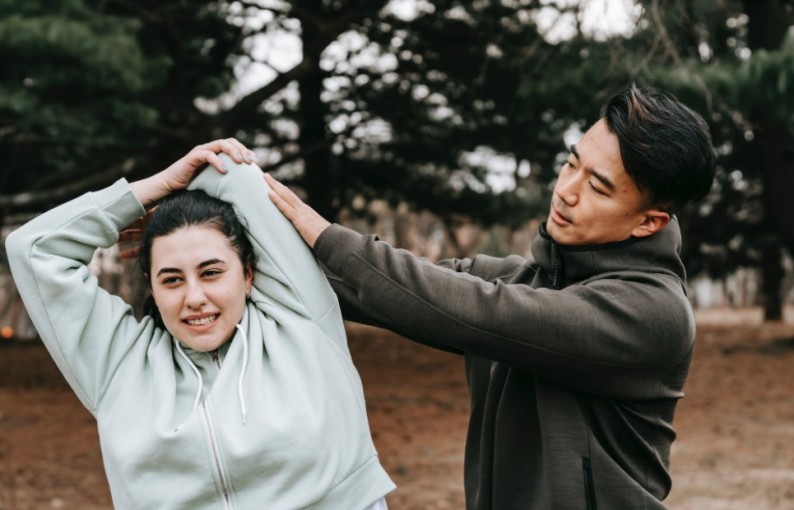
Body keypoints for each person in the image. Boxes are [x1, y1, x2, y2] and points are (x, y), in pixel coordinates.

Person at [264, 84, 717, 509]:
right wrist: (237, 235)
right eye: (570, 163)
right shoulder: (528, 279)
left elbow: (474, 309)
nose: (566, 190)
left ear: (648, 223)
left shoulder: (652, 314)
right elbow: (381, 291)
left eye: (597, 187)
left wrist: (326, 236)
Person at [5, 139, 395, 509]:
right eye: (172, 279)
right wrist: (154, 188)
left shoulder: (301, 317)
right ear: (152, 289)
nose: (194, 298)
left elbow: (231, 172)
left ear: (247, 275)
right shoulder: (118, 362)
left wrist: (183, 193)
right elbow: (34, 248)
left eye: (211, 273)